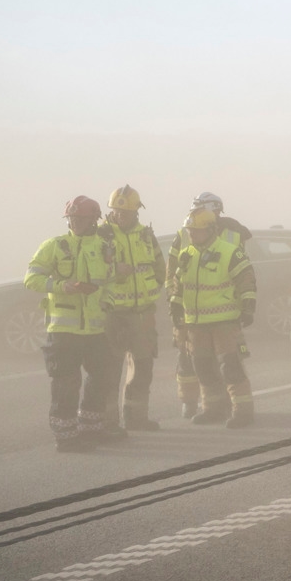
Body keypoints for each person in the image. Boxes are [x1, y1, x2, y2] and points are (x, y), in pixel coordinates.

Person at [23, 196, 116, 452]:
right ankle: (66, 437)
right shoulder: (54, 246)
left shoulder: (104, 247)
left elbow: (109, 282)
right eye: (72, 219)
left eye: (81, 219)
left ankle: (92, 429)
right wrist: (62, 286)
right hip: (63, 331)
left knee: (101, 378)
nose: (75, 223)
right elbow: (31, 279)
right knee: (66, 383)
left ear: (94, 220)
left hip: (94, 330)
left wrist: (107, 302)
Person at [167, 208, 257, 428]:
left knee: (231, 366)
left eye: (196, 231)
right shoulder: (186, 255)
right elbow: (178, 285)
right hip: (196, 325)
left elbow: (246, 280)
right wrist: (176, 308)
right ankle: (212, 409)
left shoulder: (230, 252)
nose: (191, 235)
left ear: (210, 230)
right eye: (189, 231)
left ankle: (243, 411)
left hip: (224, 322)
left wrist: (248, 306)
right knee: (203, 367)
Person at [100, 185, 166, 434]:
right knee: (109, 371)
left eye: (126, 212)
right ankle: (108, 423)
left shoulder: (146, 236)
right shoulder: (100, 237)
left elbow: (161, 270)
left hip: (142, 315)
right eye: (117, 211)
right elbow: (90, 273)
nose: (121, 215)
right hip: (113, 315)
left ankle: (136, 418)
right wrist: (113, 273)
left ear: (137, 211)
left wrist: (151, 294)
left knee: (143, 368)